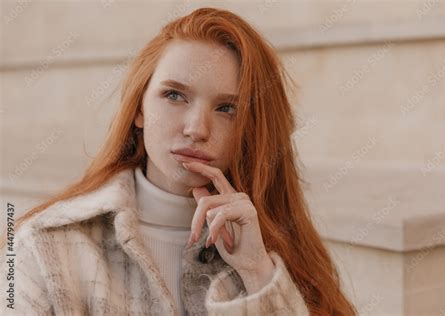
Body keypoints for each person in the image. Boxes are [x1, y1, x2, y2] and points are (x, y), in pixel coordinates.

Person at [0, 7, 357, 316]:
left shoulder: (271, 252)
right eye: (174, 95)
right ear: (139, 108)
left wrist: (257, 272)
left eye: (226, 109)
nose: (197, 129)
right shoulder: (44, 246)